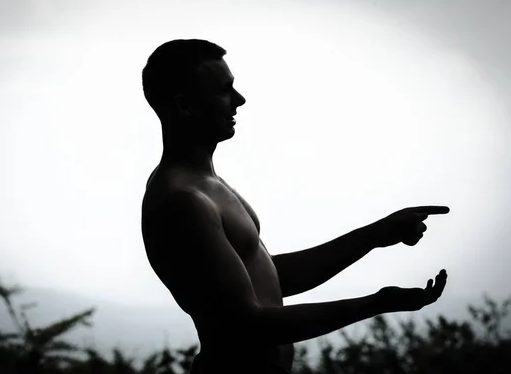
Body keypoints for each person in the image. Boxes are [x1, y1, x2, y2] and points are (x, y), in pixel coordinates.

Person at [140, 39, 450, 374]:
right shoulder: (183, 201)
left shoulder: (207, 185)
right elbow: (246, 325)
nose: (239, 100)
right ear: (185, 106)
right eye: (223, 90)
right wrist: (376, 303)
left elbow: (268, 280)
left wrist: (374, 235)